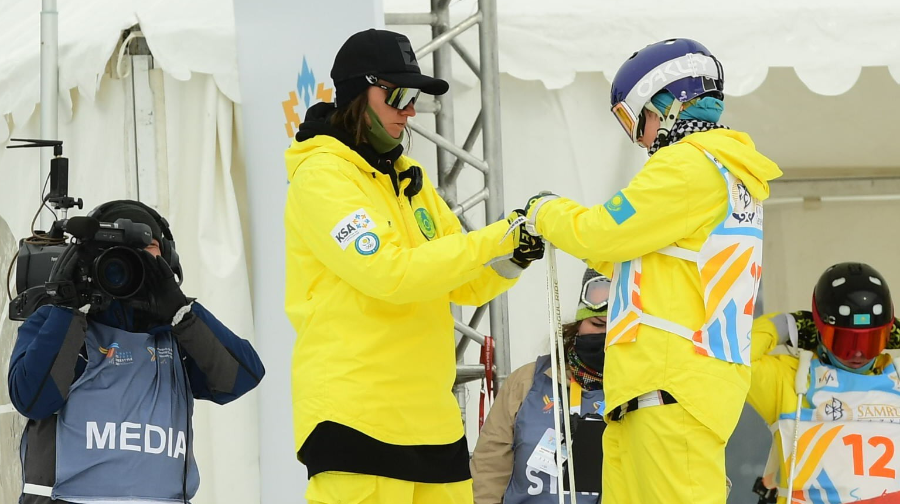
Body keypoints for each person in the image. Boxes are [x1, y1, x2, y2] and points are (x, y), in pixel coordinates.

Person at [283, 28, 544, 504]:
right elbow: (391, 273)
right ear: (359, 93)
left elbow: (463, 283)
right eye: (399, 94)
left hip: (432, 424)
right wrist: (498, 235)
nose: (411, 110)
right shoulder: (322, 176)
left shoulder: (408, 179)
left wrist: (514, 254)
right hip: (356, 421)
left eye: (416, 96)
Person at [519, 38, 783, 503]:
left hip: (669, 390)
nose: (638, 138)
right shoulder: (721, 173)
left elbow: (603, 233)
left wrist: (545, 211)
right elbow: (639, 256)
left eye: (633, 119)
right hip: (656, 392)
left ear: (668, 102)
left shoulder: (689, 165)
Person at [7, 199, 265, 504]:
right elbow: (32, 398)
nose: (133, 258)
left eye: (148, 245)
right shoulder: (61, 322)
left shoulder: (179, 328)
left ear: (167, 256)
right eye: (115, 251)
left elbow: (240, 378)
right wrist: (66, 307)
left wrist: (182, 312)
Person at [748, 262, 900, 504]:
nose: (858, 354)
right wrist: (785, 326)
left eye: (870, 341)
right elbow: (733, 356)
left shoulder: (896, 376)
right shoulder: (791, 380)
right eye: (844, 341)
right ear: (820, 329)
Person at [471, 268, 610, 504]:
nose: (605, 336)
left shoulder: (649, 391)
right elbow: (489, 469)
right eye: (597, 324)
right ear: (578, 325)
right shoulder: (526, 382)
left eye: (615, 330)